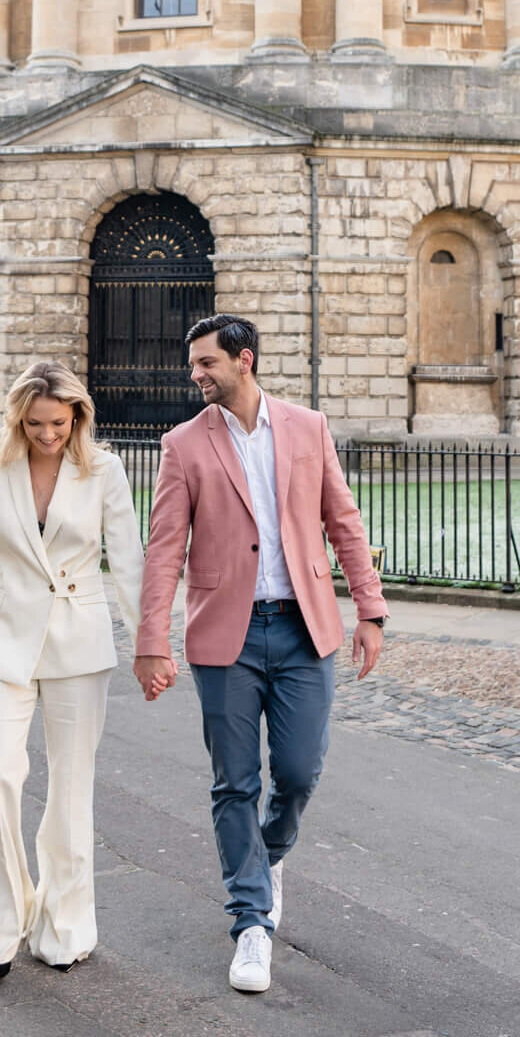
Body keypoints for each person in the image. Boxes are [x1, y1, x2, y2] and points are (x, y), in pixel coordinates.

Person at [134, 313, 386, 995]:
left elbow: (343, 519)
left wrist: (370, 608)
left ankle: (267, 855)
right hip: (227, 635)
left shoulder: (307, 428)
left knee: (300, 773)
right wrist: (151, 638)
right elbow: (163, 551)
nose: (195, 374)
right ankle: (250, 920)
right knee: (234, 781)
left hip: (304, 630)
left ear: (243, 360)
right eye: (193, 363)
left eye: (206, 363)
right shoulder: (183, 444)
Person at [0, 360, 144, 985]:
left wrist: (149, 647)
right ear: (18, 420)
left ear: (76, 417)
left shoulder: (104, 471)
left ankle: (63, 926)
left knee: (70, 789)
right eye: (34, 424)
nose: (47, 435)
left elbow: (129, 563)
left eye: (57, 422)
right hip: (3, 641)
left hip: (78, 643)